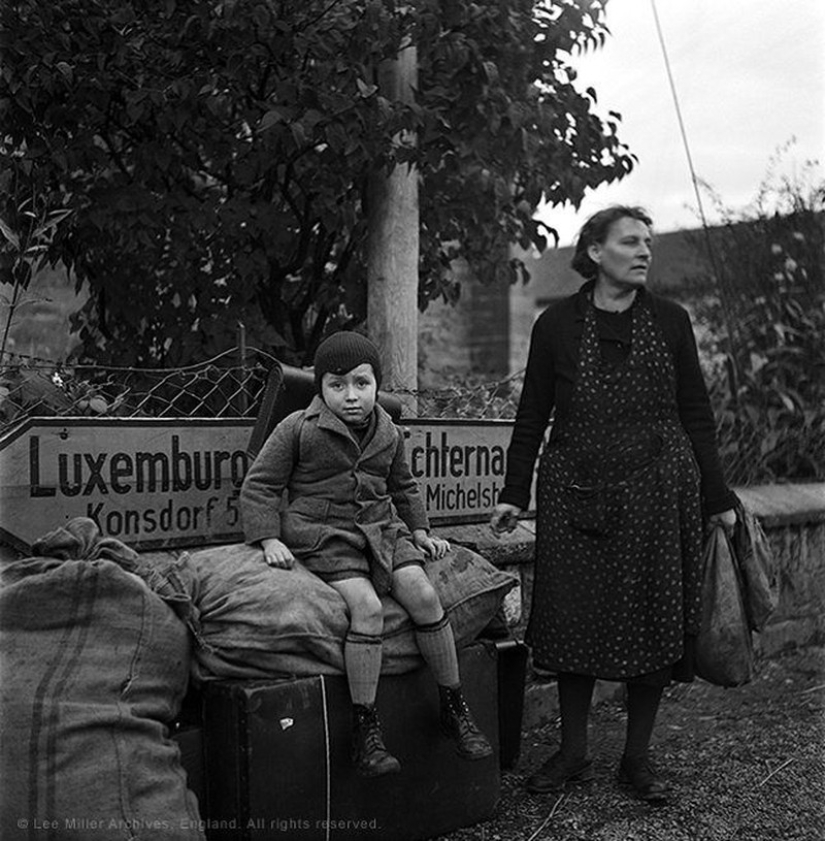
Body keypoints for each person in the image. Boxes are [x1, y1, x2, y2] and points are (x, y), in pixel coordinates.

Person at [490, 206, 737, 802]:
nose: (645, 251)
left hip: (658, 489)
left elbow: (696, 413)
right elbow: (533, 415)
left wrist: (716, 492)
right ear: (596, 251)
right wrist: (513, 493)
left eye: (648, 242)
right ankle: (572, 753)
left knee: (652, 619)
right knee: (573, 617)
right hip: (574, 489)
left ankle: (636, 760)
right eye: (631, 241)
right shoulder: (555, 326)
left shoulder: (673, 321)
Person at [241, 331, 493, 777]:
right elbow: (261, 485)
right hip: (325, 534)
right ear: (320, 388)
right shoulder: (298, 428)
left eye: (362, 383)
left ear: (377, 384)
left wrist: (420, 531)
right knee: (367, 608)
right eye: (337, 385)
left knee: (425, 596)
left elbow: (403, 487)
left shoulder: (388, 431)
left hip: (382, 530)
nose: (351, 396)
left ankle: (454, 708)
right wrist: (268, 537)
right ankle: (366, 729)